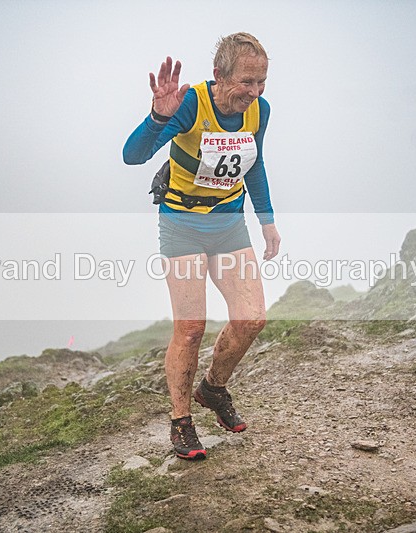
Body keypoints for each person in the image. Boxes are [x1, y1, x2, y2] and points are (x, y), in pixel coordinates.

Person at [123, 33, 281, 459]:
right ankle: (181, 423)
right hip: (182, 226)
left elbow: (255, 163)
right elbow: (132, 157)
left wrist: (267, 221)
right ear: (219, 75)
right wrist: (158, 117)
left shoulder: (259, 111)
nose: (255, 92)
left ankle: (212, 388)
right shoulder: (192, 103)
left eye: (261, 82)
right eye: (246, 82)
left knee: (251, 319)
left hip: (228, 225)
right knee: (191, 329)